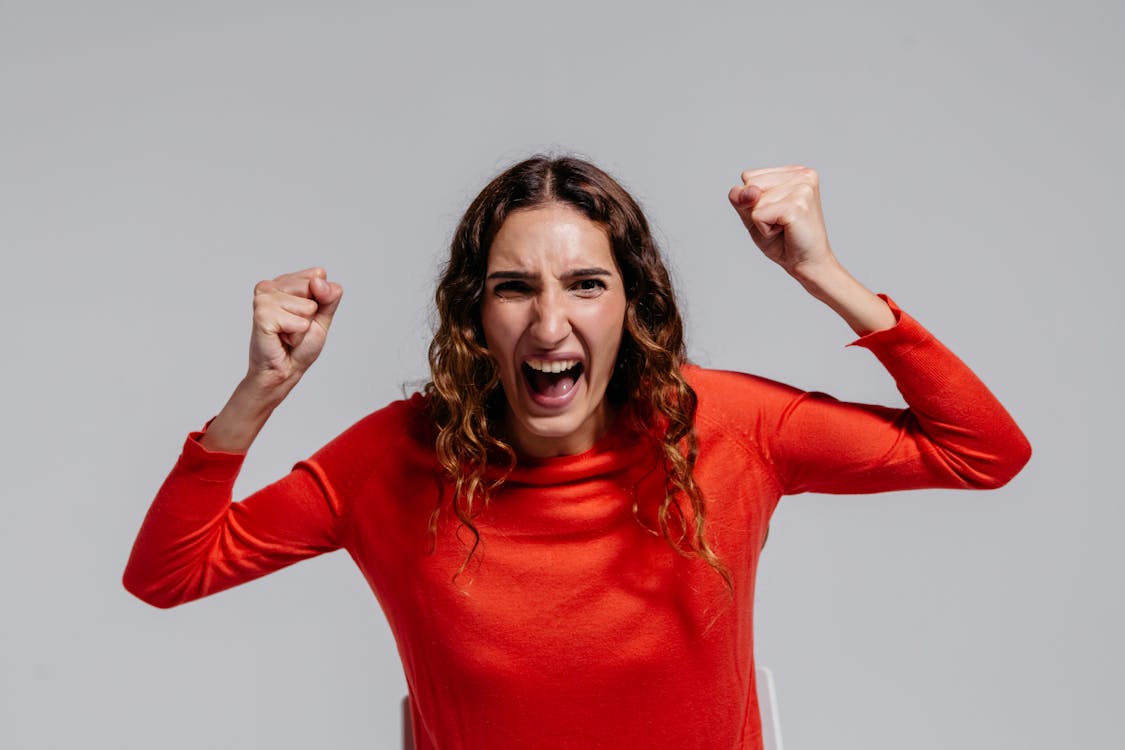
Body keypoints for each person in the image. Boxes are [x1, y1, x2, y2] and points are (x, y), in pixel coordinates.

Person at [123, 156, 1031, 750]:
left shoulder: (727, 424)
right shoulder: (397, 457)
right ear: (475, 315)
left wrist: (820, 274)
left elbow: (984, 451)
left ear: (629, 306)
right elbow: (169, 572)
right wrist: (260, 394)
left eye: (586, 284)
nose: (550, 322)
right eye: (514, 288)